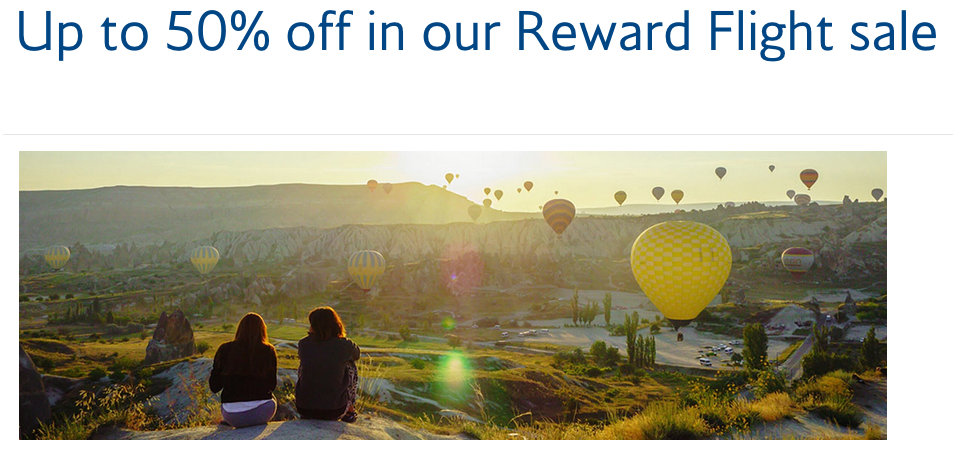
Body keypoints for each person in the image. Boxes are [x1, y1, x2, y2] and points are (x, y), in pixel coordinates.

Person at [209, 312, 278, 428]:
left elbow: (214, 387)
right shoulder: (268, 350)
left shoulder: (225, 349)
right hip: (262, 413)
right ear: (262, 330)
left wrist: (218, 367)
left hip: (232, 416)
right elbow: (272, 385)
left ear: (239, 329)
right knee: (272, 397)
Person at [296, 306, 360, 422]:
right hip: (334, 410)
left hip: (304, 408)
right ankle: (350, 409)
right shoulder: (345, 345)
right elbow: (357, 355)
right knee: (350, 365)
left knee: (307, 364)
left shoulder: (303, 344)